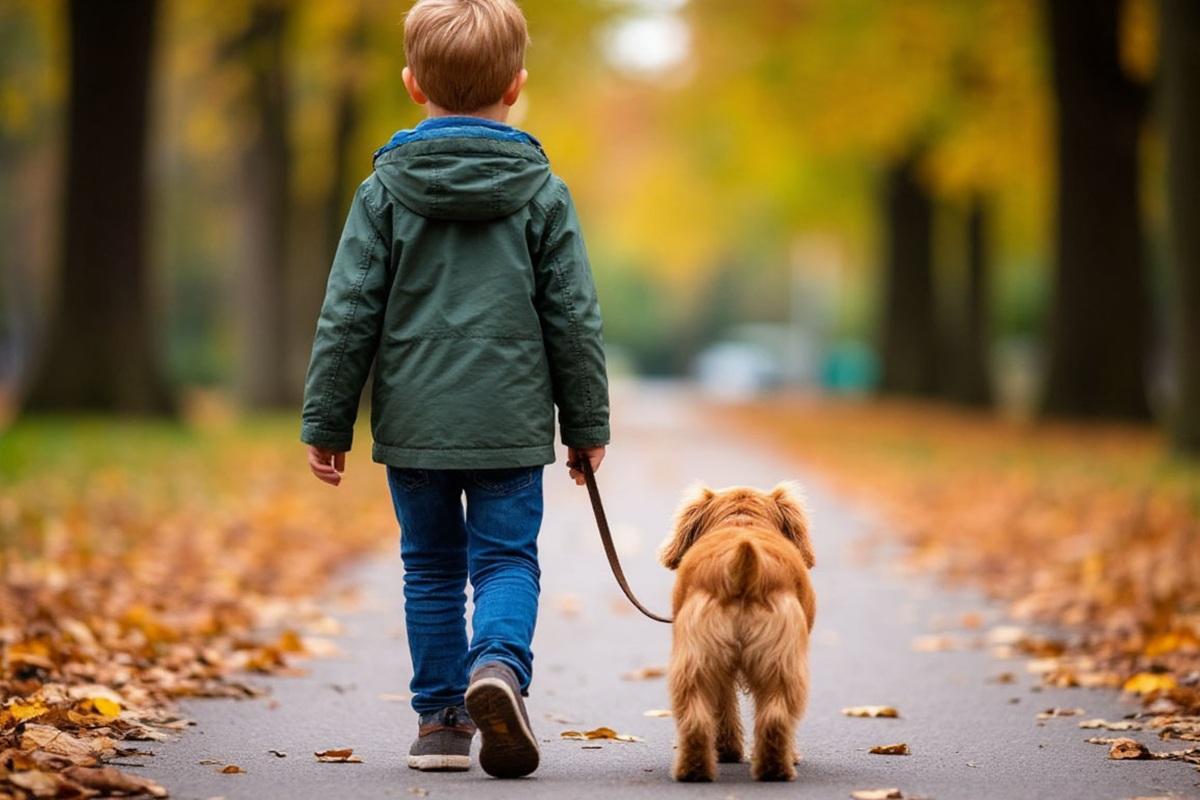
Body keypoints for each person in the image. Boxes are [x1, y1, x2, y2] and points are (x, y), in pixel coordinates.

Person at [299, 0, 609, 780]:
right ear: (515, 85)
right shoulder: (543, 192)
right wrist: (586, 424)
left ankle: (440, 725)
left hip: (416, 426)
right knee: (505, 560)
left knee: (431, 567)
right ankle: (496, 667)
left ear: (413, 84)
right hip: (508, 424)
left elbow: (348, 312)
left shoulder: (382, 192)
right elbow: (572, 317)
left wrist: (328, 420)